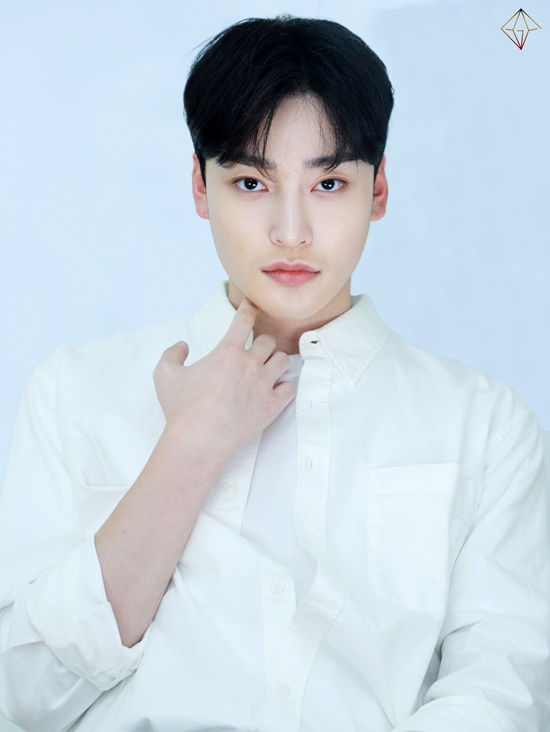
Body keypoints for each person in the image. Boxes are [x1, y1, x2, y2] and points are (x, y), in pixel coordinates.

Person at [0, 14, 549, 732]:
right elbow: (23, 695)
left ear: (379, 190)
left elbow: (502, 694)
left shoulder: (484, 426)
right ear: (200, 187)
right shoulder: (75, 392)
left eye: (329, 183)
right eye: (252, 182)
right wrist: (188, 447)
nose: (292, 231)